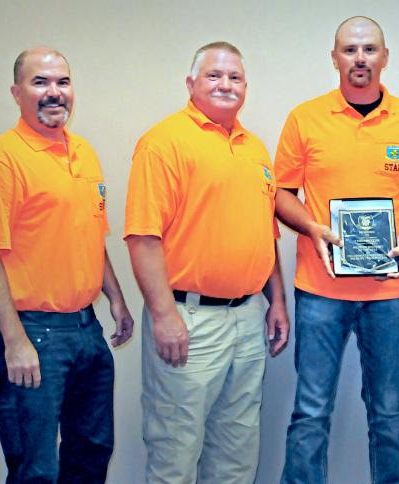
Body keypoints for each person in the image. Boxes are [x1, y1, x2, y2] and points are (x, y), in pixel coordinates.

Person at [274, 16, 399, 483]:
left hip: (389, 294)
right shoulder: (304, 118)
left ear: (385, 57)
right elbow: (281, 195)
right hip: (319, 289)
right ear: (334, 58)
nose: (360, 59)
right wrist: (313, 228)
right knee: (310, 411)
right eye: (350, 50)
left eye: (370, 49)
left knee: (388, 412)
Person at [124, 41, 289, 483]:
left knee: (237, 448)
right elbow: (142, 238)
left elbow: (265, 235)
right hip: (188, 319)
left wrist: (277, 302)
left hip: (248, 317)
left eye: (234, 77)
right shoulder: (163, 143)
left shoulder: (254, 149)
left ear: (245, 87)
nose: (225, 84)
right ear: (190, 83)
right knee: (176, 446)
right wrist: (163, 316)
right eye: (214, 75)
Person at [0, 47, 134, 483]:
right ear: (16, 92)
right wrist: (14, 341)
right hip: (33, 333)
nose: (54, 93)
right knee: (37, 468)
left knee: (91, 453)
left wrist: (117, 300)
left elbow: (90, 233)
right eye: (40, 82)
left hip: (86, 331)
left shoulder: (83, 152)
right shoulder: (2, 159)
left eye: (62, 82)